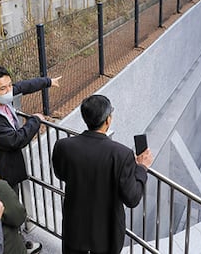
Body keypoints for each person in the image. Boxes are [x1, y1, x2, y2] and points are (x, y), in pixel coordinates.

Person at [52, 94, 154, 254]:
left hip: (75, 227)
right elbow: (132, 198)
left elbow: (61, 174)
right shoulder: (121, 154)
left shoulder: (63, 145)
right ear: (108, 120)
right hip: (106, 234)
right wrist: (141, 168)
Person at [0, 65, 61, 190]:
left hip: (8, 164)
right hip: (2, 172)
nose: (9, 91)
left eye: (10, 85)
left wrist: (48, 82)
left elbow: (22, 86)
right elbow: (15, 140)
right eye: (3, 88)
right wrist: (35, 120)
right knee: (9, 197)